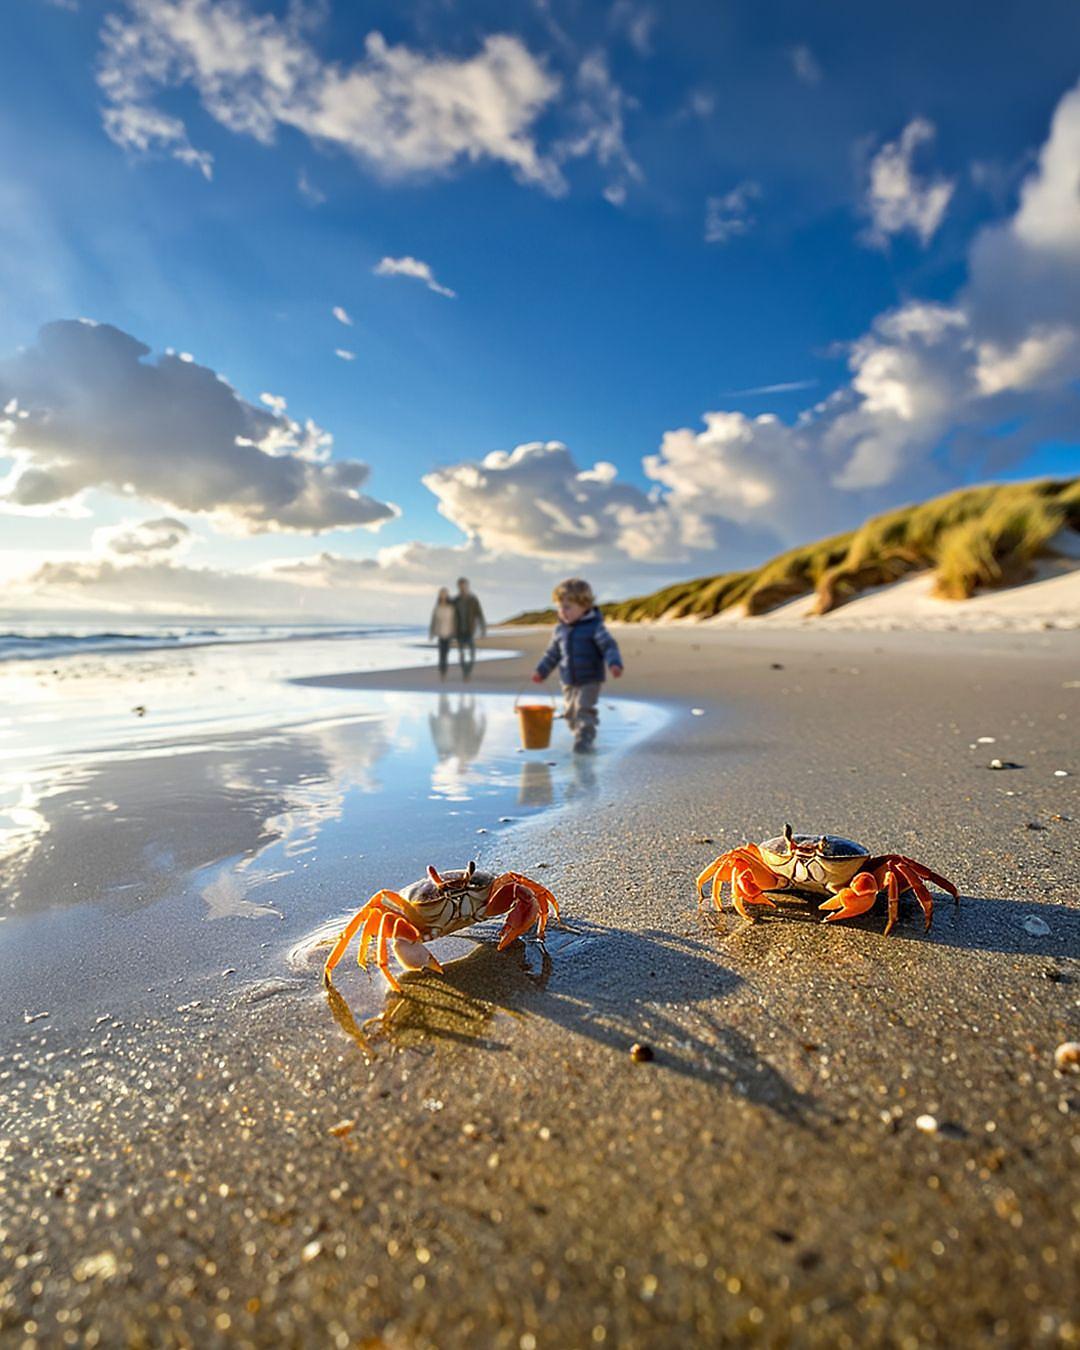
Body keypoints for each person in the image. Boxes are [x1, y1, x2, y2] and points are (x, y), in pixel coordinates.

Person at [531, 577, 623, 752]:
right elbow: (552, 654)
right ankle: (579, 732)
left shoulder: (594, 627)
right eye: (560, 607)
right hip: (568, 679)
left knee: (583, 708)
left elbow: (608, 646)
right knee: (569, 713)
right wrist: (541, 671)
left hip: (590, 679)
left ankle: (586, 735)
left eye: (567, 607)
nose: (562, 612)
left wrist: (614, 663)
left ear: (585, 607)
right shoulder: (560, 630)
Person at [453, 577, 486, 679]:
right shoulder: (456, 600)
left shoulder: (473, 599)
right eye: (460, 586)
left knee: (472, 652)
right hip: (459, 631)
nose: (462, 587)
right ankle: (465, 672)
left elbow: (479, 613)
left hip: (469, 630)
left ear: (467, 586)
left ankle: (469, 670)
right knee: (462, 653)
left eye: (464, 585)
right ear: (458, 587)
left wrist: (482, 627)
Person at [429, 586, 457, 679]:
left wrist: (454, 631)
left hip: (449, 633)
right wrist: (431, 633)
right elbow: (433, 621)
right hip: (440, 633)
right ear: (439, 596)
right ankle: (442, 672)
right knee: (441, 653)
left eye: (444, 594)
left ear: (447, 596)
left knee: (446, 652)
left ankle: (444, 670)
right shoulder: (437, 608)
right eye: (441, 594)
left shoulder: (451, 608)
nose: (443, 596)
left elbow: (454, 620)